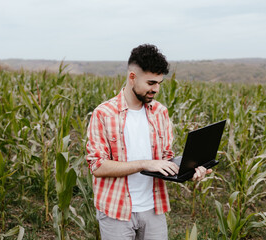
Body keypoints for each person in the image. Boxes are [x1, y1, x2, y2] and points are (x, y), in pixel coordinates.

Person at [86, 44, 212, 240]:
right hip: (115, 210)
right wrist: (144, 163)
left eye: (160, 83)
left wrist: (190, 169)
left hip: (154, 207)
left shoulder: (160, 112)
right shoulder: (104, 113)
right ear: (132, 77)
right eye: (151, 83)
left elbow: (166, 159)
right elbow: (97, 166)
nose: (156, 89)